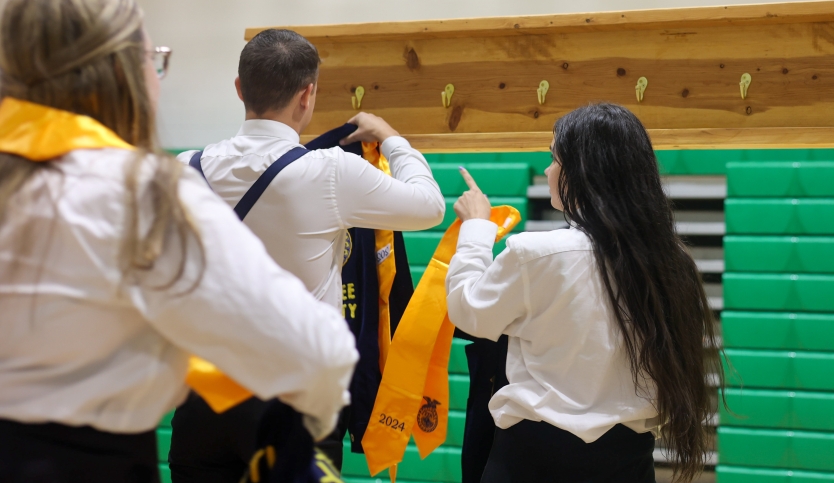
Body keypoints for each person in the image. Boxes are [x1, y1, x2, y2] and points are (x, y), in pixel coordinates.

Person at [0, 0, 357, 483]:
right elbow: (319, 354)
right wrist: (306, 428)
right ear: (120, 74)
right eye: (154, 60)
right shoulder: (141, 194)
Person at [171, 28, 445, 479]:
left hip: (203, 397)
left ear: (239, 89)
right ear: (307, 95)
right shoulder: (331, 171)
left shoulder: (184, 167)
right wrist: (392, 139)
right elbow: (429, 207)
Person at [447, 103, 723, 483]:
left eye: (553, 158)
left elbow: (467, 311)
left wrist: (476, 229)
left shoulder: (537, 253)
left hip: (532, 460)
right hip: (629, 461)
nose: (547, 171)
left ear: (581, 171)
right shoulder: (673, 263)